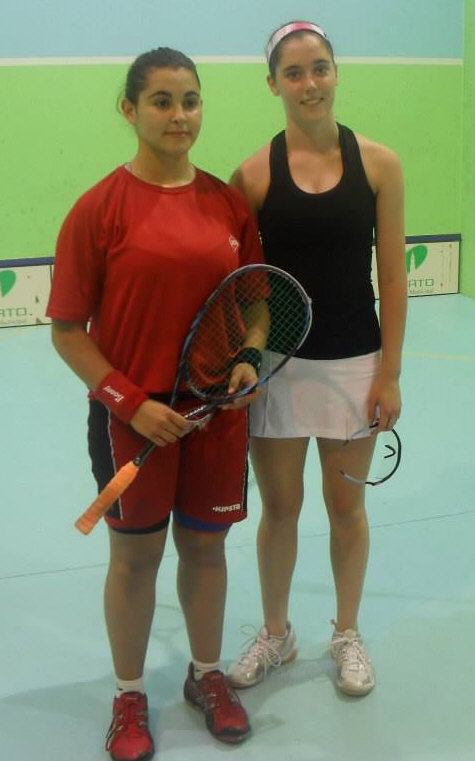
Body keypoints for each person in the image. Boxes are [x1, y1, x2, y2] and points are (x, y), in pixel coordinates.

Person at [46, 47, 264, 761]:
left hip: (215, 418)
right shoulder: (97, 209)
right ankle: (129, 693)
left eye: (190, 100)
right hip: (129, 423)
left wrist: (248, 355)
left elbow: (255, 301)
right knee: (135, 558)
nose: (179, 115)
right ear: (130, 109)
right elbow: (68, 332)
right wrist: (131, 402)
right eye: (162, 101)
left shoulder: (227, 203)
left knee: (206, 548)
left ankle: (207, 675)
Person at [226, 21, 407, 697]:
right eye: (294, 73)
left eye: (320, 68)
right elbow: (242, 284)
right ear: (272, 83)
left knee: (345, 509)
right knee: (279, 508)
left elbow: (392, 276)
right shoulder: (251, 175)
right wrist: (244, 360)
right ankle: (276, 632)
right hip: (278, 367)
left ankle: (346, 632)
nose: (310, 83)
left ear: (336, 72)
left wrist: (389, 372)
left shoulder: (380, 165)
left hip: (355, 364)